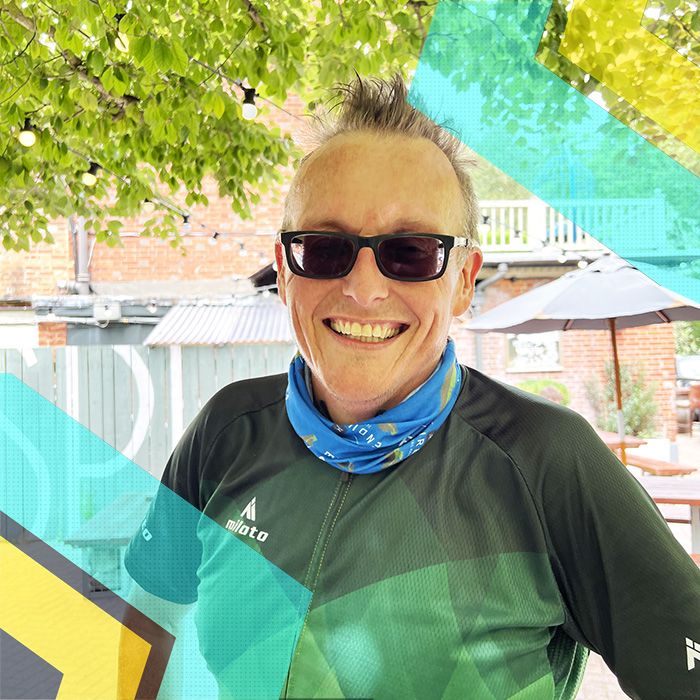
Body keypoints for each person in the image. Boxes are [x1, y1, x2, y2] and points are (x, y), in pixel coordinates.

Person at [123, 75, 700, 699]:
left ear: (462, 280)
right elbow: (144, 620)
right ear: (286, 272)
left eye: (410, 252)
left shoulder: (547, 458)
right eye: (324, 249)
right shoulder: (225, 432)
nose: (364, 289)